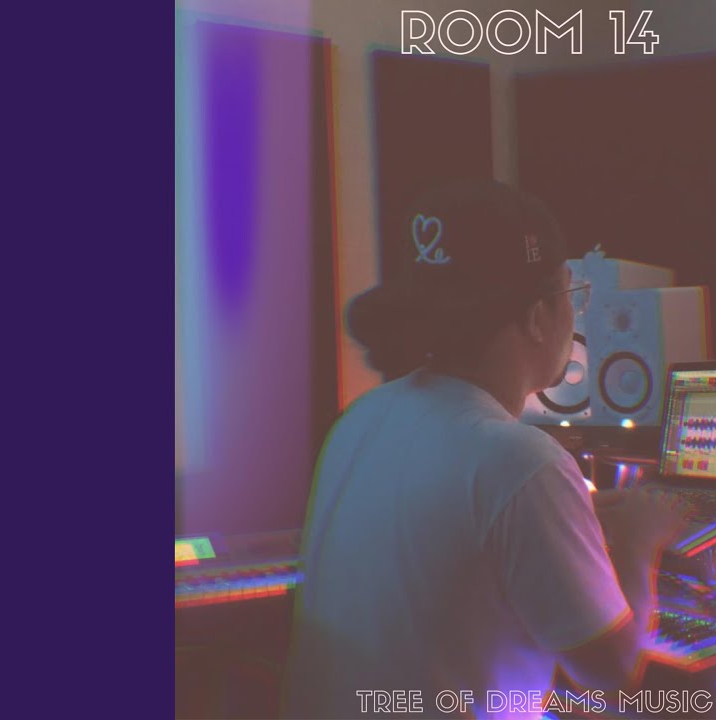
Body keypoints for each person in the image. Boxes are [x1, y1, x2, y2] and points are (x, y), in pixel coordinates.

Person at [282, 180, 687, 719]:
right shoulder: (521, 461)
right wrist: (640, 542)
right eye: (572, 297)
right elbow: (613, 676)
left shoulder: (360, 420)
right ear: (538, 317)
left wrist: (565, 523)